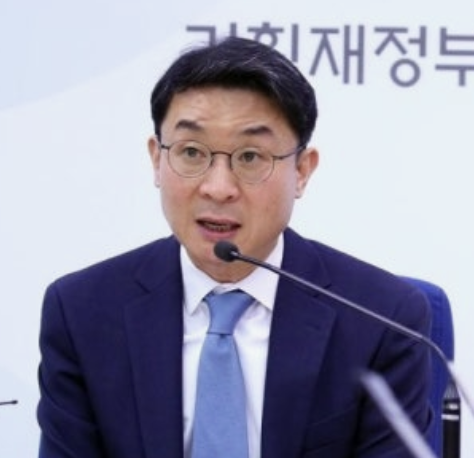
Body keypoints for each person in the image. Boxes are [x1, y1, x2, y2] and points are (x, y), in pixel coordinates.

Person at [37, 36, 432, 458]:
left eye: (249, 157)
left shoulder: (381, 319)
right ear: (157, 159)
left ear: (302, 170)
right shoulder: (82, 312)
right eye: (191, 152)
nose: (218, 188)